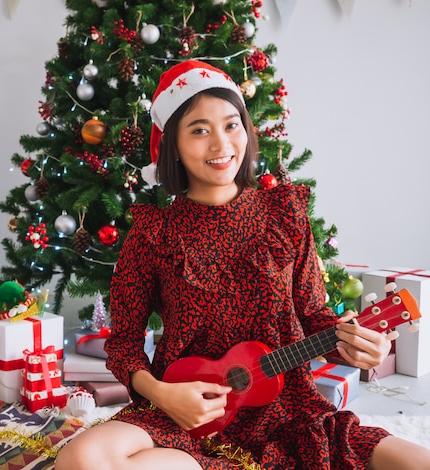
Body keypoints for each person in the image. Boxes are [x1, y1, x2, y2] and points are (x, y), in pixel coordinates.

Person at [54, 60, 430, 469]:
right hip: (185, 415)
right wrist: (163, 395)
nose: (221, 145)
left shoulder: (285, 216)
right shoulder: (153, 234)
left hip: (289, 414)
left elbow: (314, 316)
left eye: (232, 125)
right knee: (81, 458)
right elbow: (124, 345)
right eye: (199, 130)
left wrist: (357, 348)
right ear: (172, 145)